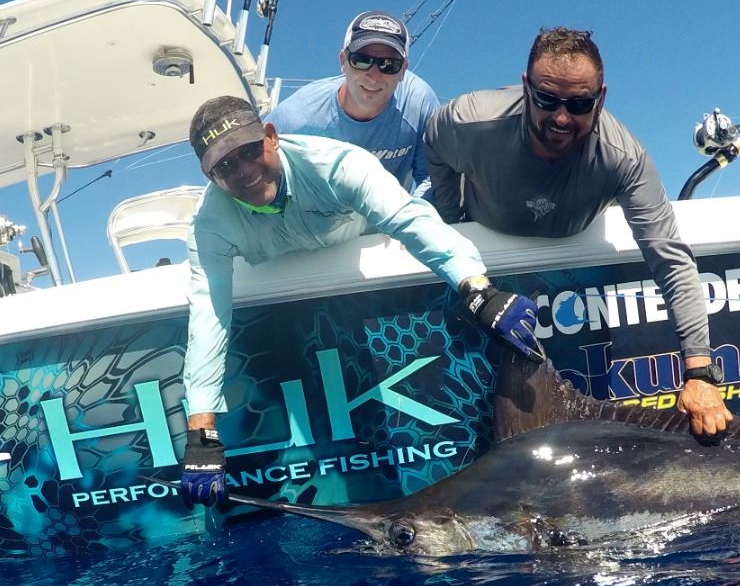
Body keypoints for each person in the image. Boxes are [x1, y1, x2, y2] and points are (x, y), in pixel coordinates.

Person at [178, 95, 542, 505]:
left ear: (271, 136)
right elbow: (209, 318)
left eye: (249, 151)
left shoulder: (336, 165)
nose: (243, 171)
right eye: (225, 166)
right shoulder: (209, 225)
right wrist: (201, 433)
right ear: (210, 177)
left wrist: (477, 290)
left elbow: (409, 219)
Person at [424, 27, 733, 440]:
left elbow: (671, 261)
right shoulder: (469, 121)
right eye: (546, 99)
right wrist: (454, 224)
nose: (561, 118)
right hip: (488, 274)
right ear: (526, 87)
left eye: (579, 104)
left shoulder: (624, 158)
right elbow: (433, 144)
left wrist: (700, 373)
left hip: (575, 277)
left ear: (600, 99)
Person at [267, 10, 439, 194]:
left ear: (403, 70)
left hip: (392, 210)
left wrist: (411, 211)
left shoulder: (418, 104)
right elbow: (254, 156)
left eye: (388, 64)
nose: (374, 76)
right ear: (343, 61)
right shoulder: (297, 115)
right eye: (362, 60)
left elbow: (433, 178)